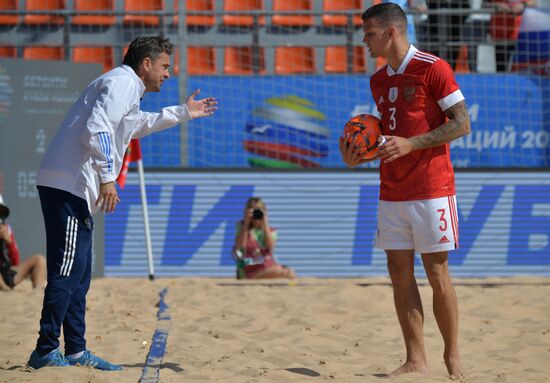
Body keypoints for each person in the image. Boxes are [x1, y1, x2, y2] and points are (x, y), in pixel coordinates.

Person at [27, 35, 217, 371]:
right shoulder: (121, 83)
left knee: (79, 274)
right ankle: (45, 350)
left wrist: (184, 112)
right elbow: (96, 128)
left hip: (74, 186)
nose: (168, 74)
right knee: (66, 271)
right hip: (69, 184)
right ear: (146, 64)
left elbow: (136, 125)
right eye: (164, 66)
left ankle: (75, 351)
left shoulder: (126, 86)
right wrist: (107, 177)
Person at [339, 3, 471, 379]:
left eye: (369, 33)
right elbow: (385, 139)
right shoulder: (378, 80)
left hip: (432, 187)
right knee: (399, 273)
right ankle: (416, 359)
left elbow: (462, 124)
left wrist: (413, 144)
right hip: (391, 190)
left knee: (437, 274)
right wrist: (357, 157)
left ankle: (452, 356)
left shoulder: (433, 67)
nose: (364, 41)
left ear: (390, 32)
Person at [233, 197, 295, 279]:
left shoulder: (271, 231)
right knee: (278, 271)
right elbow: (240, 248)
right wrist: (246, 223)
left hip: (264, 265)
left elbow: (270, 248)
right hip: (248, 266)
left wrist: (265, 222)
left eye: (258, 210)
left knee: (290, 272)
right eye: (253, 210)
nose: (256, 214)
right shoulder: (241, 227)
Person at [0, 194, 46, 292]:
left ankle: (37, 294)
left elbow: (16, 261)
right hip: (2, 282)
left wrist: (9, 242)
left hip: (6, 273)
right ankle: (5, 289)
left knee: (39, 260)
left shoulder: (6, 230)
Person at [488, 0, 537, 71]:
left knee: (521, 68)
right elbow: (485, 4)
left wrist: (523, 5)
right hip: (500, 34)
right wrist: (497, 5)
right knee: (501, 68)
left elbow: (534, 2)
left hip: (521, 34)